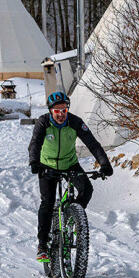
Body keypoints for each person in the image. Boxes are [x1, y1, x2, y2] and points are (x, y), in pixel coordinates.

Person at [29, 91, 114, 263]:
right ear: (50, 111)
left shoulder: (75, 122)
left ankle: (73, 216)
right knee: (47, 202)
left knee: (87, 189)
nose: (61, 114)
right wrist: (34, 162)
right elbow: (35, 143)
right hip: (47, 166)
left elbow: (92, 143)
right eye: (57, 111)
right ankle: (43, 245)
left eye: (64, 110)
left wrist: (104, 164)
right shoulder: (43, 122)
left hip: (70, 164)